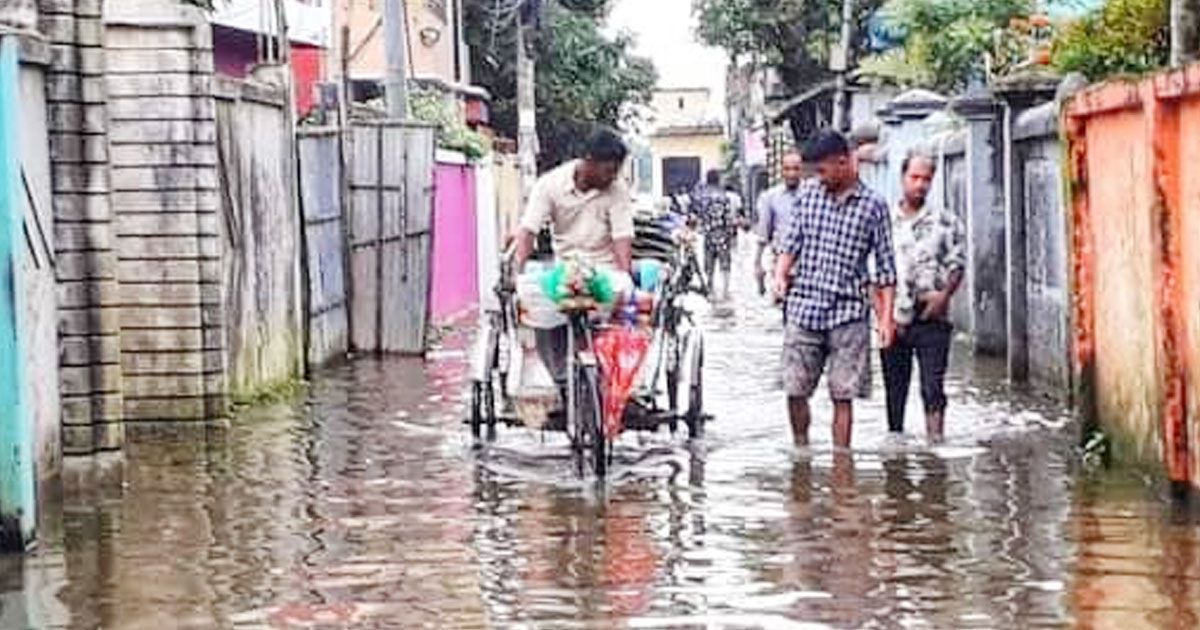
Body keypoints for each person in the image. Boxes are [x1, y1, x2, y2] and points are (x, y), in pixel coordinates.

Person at [772, 129, 897, 448]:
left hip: (849, 313)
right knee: (795, 388)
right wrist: (780, 275)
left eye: (823, 170)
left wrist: (885, 320)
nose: (818, 177)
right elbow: (790, 243)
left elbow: (885, 269)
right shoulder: (807, 195)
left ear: (843, 163)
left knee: (844, 395)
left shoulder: (874, 206)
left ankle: (843, 464)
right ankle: (801, 450)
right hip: (803, 307)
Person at [512, 128, 635, 388]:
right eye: (608, 170)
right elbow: (528, 230)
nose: (612, 177)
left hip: (604, 273)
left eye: (615, 171)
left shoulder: (617, 190)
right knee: (539, 314)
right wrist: (517, 274)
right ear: (588, 161)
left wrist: (624, 278)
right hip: (566, 272)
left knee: (620, 313)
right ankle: (560, 380)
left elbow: (622, 237)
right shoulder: (550, 185)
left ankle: (612, 382)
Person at [880, 151, 965, 442]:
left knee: (933, 387)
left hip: (931, 317)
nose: (920, 185)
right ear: (902, 178)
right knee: (895, 390)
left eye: (926, 179)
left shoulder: (946, 222)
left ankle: (935, 448)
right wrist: (882, 318)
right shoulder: (884, 221)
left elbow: (957, 263)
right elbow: (872, 271)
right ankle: (896, 454)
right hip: (894, 317)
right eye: (914, 178)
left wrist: (944, 296)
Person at [754, 151, 807, 298]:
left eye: (796, 169)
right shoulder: (771, 197)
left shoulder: (813, 195)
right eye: (787, 169)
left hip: (810, 264)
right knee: (786, 309)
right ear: (781, 171)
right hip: (782, 264)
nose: (791, 173)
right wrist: (757, 264)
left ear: (802, 170)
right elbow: (763, 234)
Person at [691, 169, 736, 302]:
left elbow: (699, 215)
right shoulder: (724, 196)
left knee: (709, 262)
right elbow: (727, 217)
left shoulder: (703, 196)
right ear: (718, 179)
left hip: (709, 234)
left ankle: (710, 286)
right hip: (722, 234)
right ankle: (726, 290)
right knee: (725, 262)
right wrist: (731, 235)